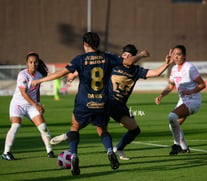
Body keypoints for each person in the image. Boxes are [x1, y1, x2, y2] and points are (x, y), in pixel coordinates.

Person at [31, 32, 149, 175]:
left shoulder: (80, 59)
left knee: (75, 127)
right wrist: (141, 55)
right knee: (103, 130)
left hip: (84, 102)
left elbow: (61, 73)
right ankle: (110, 151)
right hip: (102, 102)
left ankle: (74, 155)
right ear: (98, 43)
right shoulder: (107, 57)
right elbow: (129, 62)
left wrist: (39, 81)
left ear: (85, 44)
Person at [50, 44, 173, 161]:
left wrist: (166, 63)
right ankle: (69, 135)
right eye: (124, 54)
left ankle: (118, 148)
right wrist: (75, 73)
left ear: (133, 58)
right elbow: (93, 67)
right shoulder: (114, 64)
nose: (125, 57)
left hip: (120, 106)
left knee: (134, 129)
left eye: (128, 55)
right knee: (94, 126)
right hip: (106, 101)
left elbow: (156, 73)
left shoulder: (136, 71)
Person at [2, 52, 55, 160]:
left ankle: (50, 151)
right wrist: (36, 104)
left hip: (32, 106)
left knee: (43, 128)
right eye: (31, 62)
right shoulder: (22, 75)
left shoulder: (39, 75)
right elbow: (23, 93)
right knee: (16, 126)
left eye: (35, 62)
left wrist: (38, 104)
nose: (33, 64)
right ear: (27, 63)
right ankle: (6, 152)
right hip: (18, 105)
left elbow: (37, 91)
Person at [155, 45, 206, 155]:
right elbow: (170, 86)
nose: (176, 57)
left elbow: (202, 84)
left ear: (184, 56)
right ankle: (184, 148)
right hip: (183, 101)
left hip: (193, 101)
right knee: (172, 123)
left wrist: (190, 92)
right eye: (174, 54)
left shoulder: (190, 68)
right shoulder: (173, 69)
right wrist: (161, 95)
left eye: (179, 54)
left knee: (171, 116)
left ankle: (176, 145)